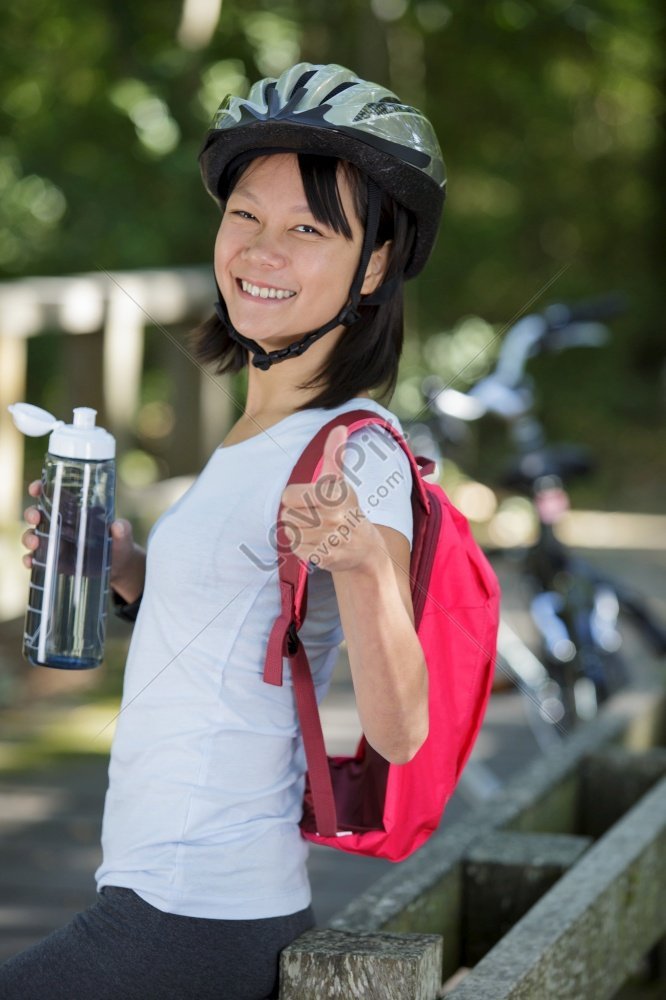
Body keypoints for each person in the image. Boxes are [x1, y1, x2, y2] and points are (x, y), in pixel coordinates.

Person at [1, 62, 445, 1000]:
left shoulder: (352, 452)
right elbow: (249, 626)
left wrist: (365, 562)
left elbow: (403, 729)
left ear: (372, 264)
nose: (261, 250)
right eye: (245, 214)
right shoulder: (257, 434)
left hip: (193, 917)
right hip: (157, 902)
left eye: (307, 229)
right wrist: (125, 572)